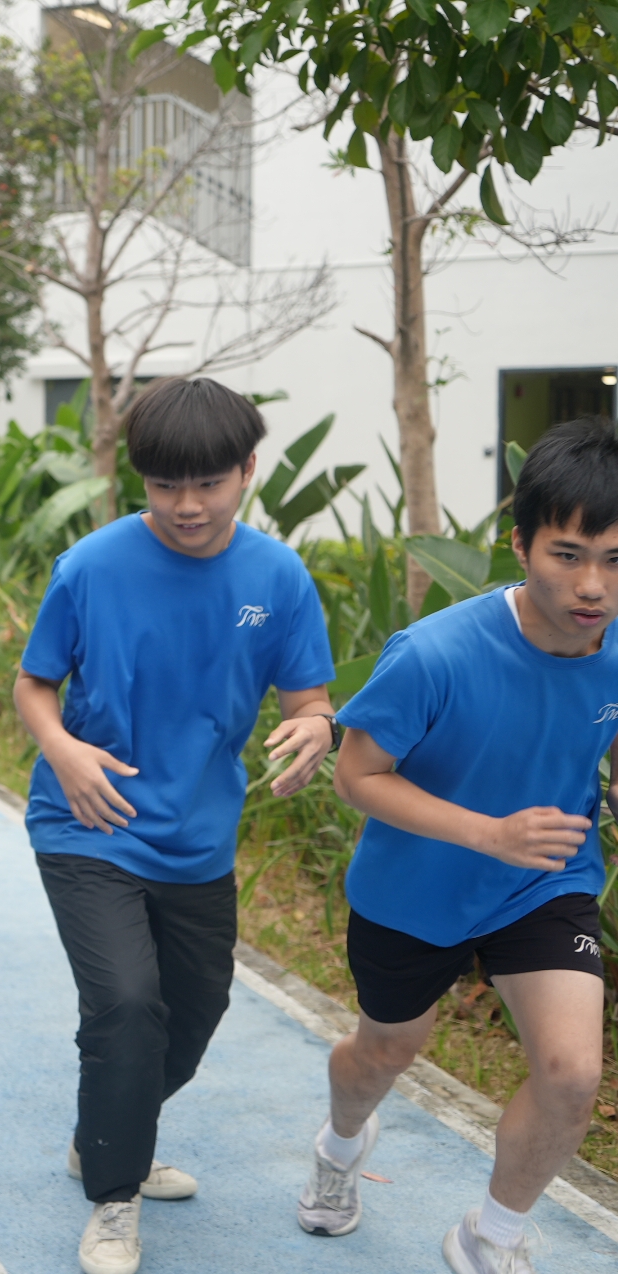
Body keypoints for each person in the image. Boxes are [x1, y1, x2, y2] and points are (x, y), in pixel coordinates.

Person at [11, 378, 338, 1274]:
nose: (187, 506)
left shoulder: (278, 577)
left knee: (192, 1015)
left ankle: (105, 1131)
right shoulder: (90, 567)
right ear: (141, 480)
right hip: (89, 820)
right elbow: (34, 683)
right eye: (164, 486)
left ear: (248, 470)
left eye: (208, 484)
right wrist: (63, 751)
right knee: (125, 1004)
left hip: (199, 838)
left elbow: (309, 699)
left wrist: (317, 728)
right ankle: (113, 1196)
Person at [296, 416, 618, 1274]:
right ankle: (339, 1146)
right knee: (384, 1053)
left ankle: (490, 1238)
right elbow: (357, 776)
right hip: (415, 890)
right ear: (519, 545)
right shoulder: (434, 654)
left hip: (544, 882)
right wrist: (489, 833)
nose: (593, 585)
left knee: (572, 1073)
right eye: (568, 554)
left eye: (615, 559)